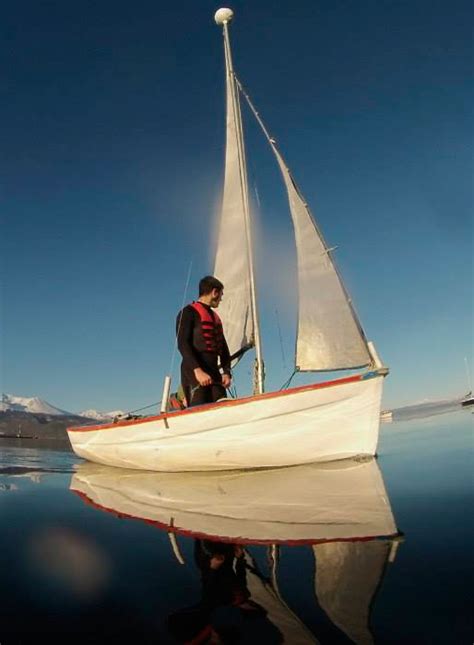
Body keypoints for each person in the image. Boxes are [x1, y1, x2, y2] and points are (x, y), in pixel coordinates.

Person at [176, 276, 232, 407]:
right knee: (199, 411)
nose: (221, 299)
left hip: (214, 373)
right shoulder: (188, 312)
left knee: (222, 409)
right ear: (214, 292)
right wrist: (198, 371)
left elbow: (224, 349)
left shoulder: (215, 318)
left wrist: (227, 373)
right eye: (221, 295)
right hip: (193, 372)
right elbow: (182, 344)